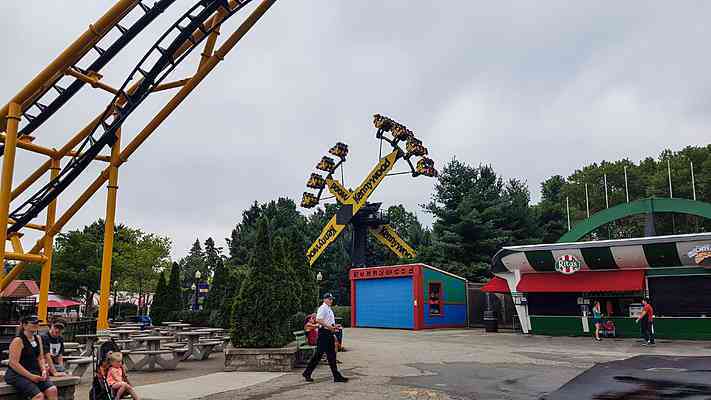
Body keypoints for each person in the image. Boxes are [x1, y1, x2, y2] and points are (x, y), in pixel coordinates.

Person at [5, 315, 58, 400]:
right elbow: (13, 363)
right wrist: (31, 376)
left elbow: (40, 357)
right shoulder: (18, 340)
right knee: (39, 396)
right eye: (33, 323)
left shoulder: (38, 338)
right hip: (17, 374)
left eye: (37, 323)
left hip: (34, 371)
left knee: (52, 390)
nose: (36, 324)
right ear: (24, 325)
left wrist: (43, 370)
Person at [302, 293, 349, 383]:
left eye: (332, 299)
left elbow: (328, 321)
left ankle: (336, 376)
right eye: (329, 299)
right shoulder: (322, 308)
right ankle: (307, 373)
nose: (331, 300)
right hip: (324, 334)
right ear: (325, 299)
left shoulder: (328, 309)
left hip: (328, 333)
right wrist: (329, 327)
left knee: (331, 355)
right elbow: (319, 320)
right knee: (318, 355)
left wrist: (334, 326)